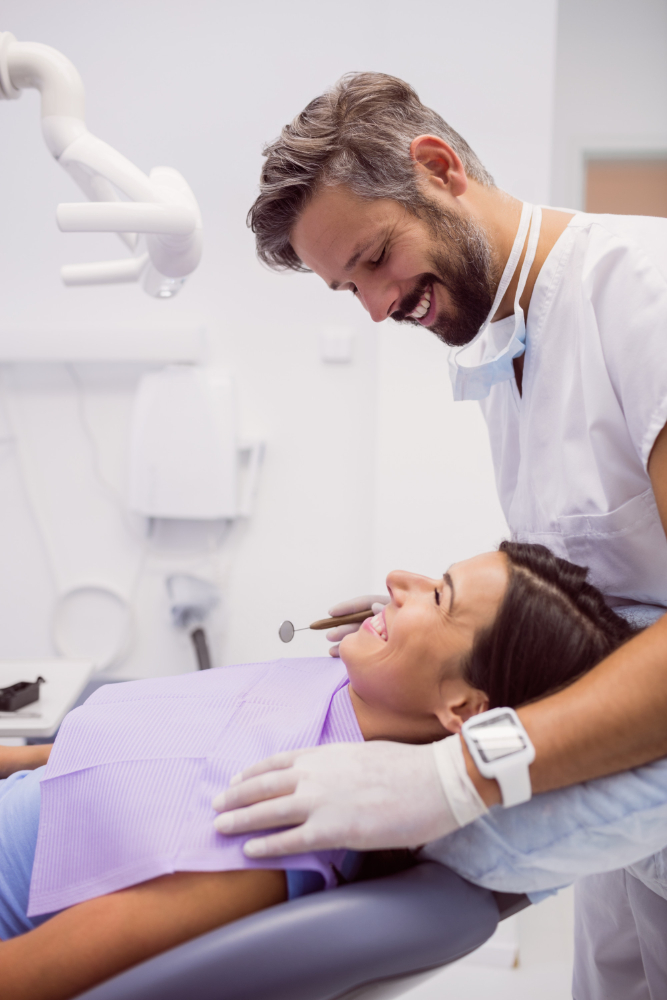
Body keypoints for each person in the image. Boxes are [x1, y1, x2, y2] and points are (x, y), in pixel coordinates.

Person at [213, 72, 667, 999]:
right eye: (350, 288)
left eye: (376, 258)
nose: (377, 307)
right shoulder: (507, 345)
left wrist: (461, 776)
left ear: (437, 168)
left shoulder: (641, 295)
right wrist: (433, 618)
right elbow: (597, 590)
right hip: (621, 766)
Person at [2, 544, 664, 1000]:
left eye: (438, 595)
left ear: (462, 707)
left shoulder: (266, 831)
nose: (398, 580)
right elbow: (102, 764)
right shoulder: (318, 699)